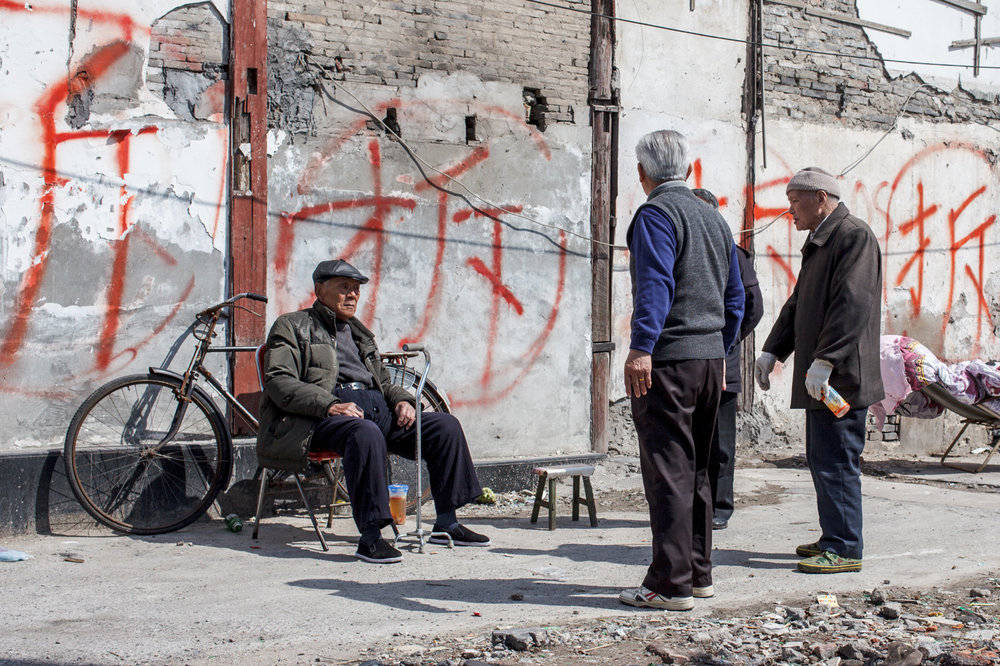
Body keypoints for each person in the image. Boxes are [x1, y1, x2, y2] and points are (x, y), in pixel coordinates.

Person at [256, 259, 489, 564]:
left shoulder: (360, 334)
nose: (352, 295)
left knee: (445, 426)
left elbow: (383, 381)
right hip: (321, 418)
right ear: (320, 290)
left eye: (356, 289)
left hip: (374, 410)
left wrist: (403, 400)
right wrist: (329, 405)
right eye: (344, 288)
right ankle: (371, 537)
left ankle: (447, 521)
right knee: (364, 433)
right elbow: (279, 381)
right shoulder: (292, 326)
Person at [619, 130, 745, 611]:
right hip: (711, 359)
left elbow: (654, 286)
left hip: (669, 360)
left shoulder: (655, 214)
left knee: (669, 470)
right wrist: (716, 343)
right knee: (696, 470)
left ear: (641, 172)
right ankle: (697, 574)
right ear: (689, 170)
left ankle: (669, 585)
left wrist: (641, 349)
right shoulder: (713, 217)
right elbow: (737, 297)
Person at [754, 167, 883, 574]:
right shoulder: (821, 240)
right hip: (822, 379)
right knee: (821, 456)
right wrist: (773, 351)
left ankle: (845, 547)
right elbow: (798, 304)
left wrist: (826, 359)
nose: (789, 210)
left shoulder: (853, 236)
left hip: (841, 378)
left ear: (821, 198)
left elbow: (853, 305)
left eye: (795, 201)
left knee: (836, 460)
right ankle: (834, 536)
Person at [692, 188, 764, 532]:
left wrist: (728, 341)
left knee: (720, 442)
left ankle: (721, 506)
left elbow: (752, 307)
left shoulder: (733, 255)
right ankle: (692, 504)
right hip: (689, 361)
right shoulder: (687, 250)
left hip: (722, 363)